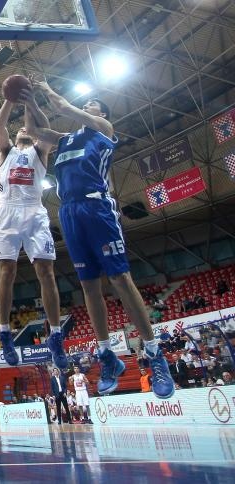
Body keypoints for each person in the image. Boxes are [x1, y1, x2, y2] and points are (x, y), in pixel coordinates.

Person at [23, 81, 173, 399]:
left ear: (101, 113)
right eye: (87, 103)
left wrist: (48, 91)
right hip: (69, 213)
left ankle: (154, 352)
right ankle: (107, 355)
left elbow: (64, 108)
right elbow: (32, 130)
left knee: (119, 277)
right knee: (89, 285)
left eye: (93, 103)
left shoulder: (103, 130)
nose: (88, 105)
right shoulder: (64, 140)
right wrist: (27, 99)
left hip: (97, 207)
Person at [0, 99, 65, 369]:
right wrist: (11, 100)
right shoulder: (6, 151)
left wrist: (30, 102)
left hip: (34, 211)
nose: (22, 129)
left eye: (26, 128)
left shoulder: (39, 150)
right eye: (19, 129)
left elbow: (42, 127)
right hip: (8, 211)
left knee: (46, 271)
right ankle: (4, 332)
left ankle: (56, 336)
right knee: (6, 272)